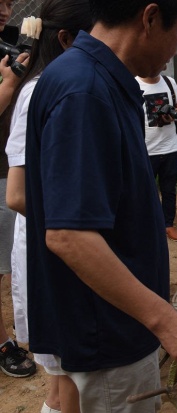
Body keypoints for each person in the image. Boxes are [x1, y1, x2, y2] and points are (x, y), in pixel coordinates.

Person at [24, 1, 177, 411]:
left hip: (95, 321)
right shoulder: (86, 91)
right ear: (149, 18)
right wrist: (164, 319)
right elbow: (69, 236)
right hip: (108, 332)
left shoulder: (93, 79)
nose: (174, 50)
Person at [5, 1, 95, 411]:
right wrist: (74, 228)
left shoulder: (49, 87)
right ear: (66, 40)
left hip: (54, 243)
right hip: (53, 248)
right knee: (69, 382)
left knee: (63, 385)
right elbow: (18, 196)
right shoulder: (44, 91)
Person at [0, 0, 34, 380]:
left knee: (11, 265)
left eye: (7, 2)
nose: (3, 8)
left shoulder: (16, 41)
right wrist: (10, 84)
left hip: (14, 167)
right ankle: (4, 343)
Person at [136, 70, 177, 242]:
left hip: (170, 147)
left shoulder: (169, 82)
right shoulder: (134, 83)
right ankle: (149, 225)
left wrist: (174, 115)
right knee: (146, 190)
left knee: (169, 189)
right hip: (146, 149)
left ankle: (168, 224)